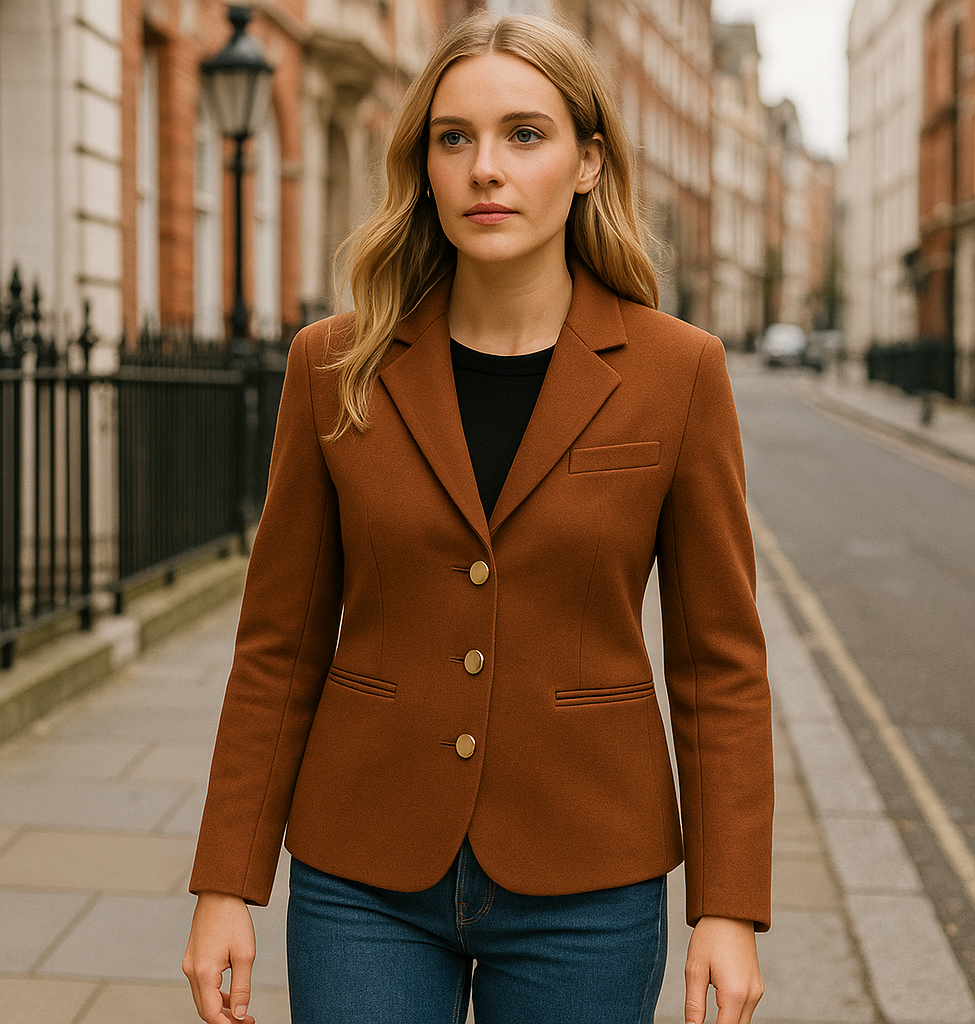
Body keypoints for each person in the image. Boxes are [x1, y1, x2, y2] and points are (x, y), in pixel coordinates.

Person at [183, 12, 773, 1024]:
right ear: (422, 165)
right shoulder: (332, 364)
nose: (484, 168)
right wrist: (224, 881)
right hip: (362, 873)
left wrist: (727, 908)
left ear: (588, 162)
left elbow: (719, 663)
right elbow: (277, 644)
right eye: (453, 138)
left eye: (524, 135)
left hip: (589, 875)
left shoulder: (679, 372)